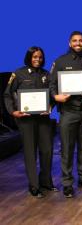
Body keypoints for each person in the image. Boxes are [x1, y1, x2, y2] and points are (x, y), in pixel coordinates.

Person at [4, 46, 56, 198]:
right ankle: (34, 186)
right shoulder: (18, 74)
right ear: (28, 57)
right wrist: (13, 112)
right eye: (34, 57)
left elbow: (52, 96)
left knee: (47, 151)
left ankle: (46, 182)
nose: (37, 60)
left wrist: (50, 107)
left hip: (43, 119)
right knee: (30, 153)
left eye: (40, 57)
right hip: (26, 120)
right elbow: (7, 95)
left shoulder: (47, 75)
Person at [49, 31, 82, 198]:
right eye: (75, 41)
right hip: (68, 111)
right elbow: (52, 84)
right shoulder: (60, 61)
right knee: (67, 149)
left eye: (81, 40)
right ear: (69, 43)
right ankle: (67, 182)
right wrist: (56, 97)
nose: (78, 43)